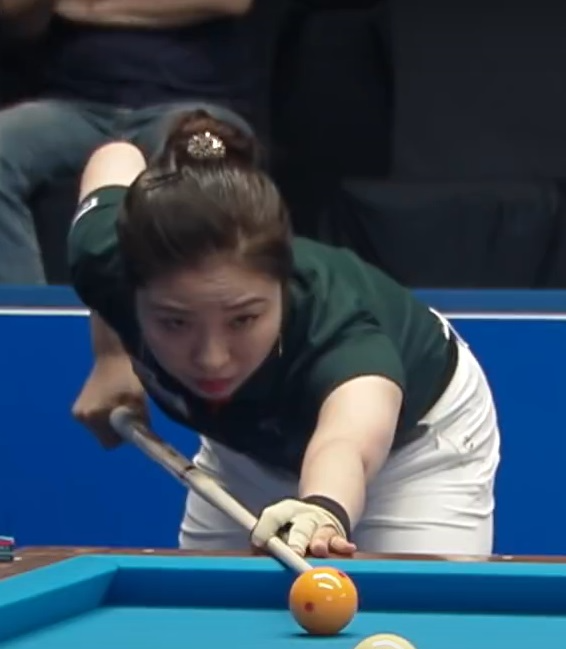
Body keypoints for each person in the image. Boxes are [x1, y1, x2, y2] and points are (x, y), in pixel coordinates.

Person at [67, 109, 501, 559]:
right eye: (175, 322)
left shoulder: (338, 330)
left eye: (243, 320)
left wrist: (323, 510)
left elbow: (345, 442)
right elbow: (116, 156)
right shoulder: (104, 258)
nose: (213, 358)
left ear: (282, 287)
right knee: (209, 599)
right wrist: (111, 358)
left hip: (414, 453)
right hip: (249, 451)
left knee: (414, 603)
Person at [0, 0, 255, 283]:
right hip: (74, 106)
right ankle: (22, 309)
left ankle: (189, 307)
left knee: (207, 156)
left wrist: (87, 9)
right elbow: (13, 11)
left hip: (192, 109)